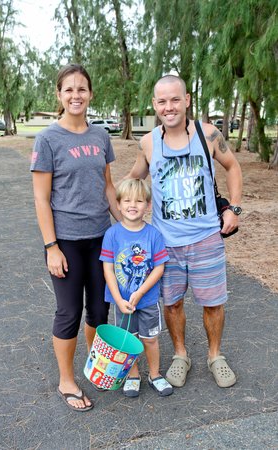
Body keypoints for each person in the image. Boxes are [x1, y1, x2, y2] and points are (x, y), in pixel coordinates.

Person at [126, 75, 243, 388]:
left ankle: (215, 356)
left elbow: (233, 167)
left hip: (206, 239)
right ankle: (181, 355)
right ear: (154, 105)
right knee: (172, 303)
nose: (169, 107)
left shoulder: (208, 134)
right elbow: (133, 181)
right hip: (166, 244)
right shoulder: (148, 142)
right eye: (162, 101)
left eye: (175, 99)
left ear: (187, 100)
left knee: (213, 303)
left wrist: (234, 208)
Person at [30, 63, 121, 411]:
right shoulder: (48, 139)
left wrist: (128, 228)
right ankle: (66, 380)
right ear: (59, 94)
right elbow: (41, 198)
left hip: (101, 238)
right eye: (68, 89)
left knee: (99, 309)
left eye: (81, 89)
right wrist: (51, 247)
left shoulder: (100, 136)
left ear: (90, 94)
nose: (75, 95)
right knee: (69, 311)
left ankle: (94, 364)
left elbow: (108, 187)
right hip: (66, 241)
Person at [100, 178, 173, 397]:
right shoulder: (112, 234)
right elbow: (108, 269)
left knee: (150, 339)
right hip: (122, 302)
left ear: (148, 206)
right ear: (119, 205)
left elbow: (159, 268)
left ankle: (154, 374)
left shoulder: (153, 235)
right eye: (127, 201)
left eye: (139, 201)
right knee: (128, 340)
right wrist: (118, 299)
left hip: (148, 300)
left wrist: (140, 292)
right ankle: (132, 375)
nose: (133, 205)